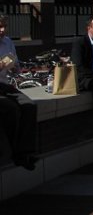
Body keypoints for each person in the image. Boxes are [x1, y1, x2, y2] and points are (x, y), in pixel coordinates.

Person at [0, 15, 38, 170]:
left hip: (4, 84)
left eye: (4, 26)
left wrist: (15, 67)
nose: (2, 30)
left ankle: (25, 152)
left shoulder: (8, 42)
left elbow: (14, 62)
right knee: (11, 109)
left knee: (29, 105)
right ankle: (15, 153)